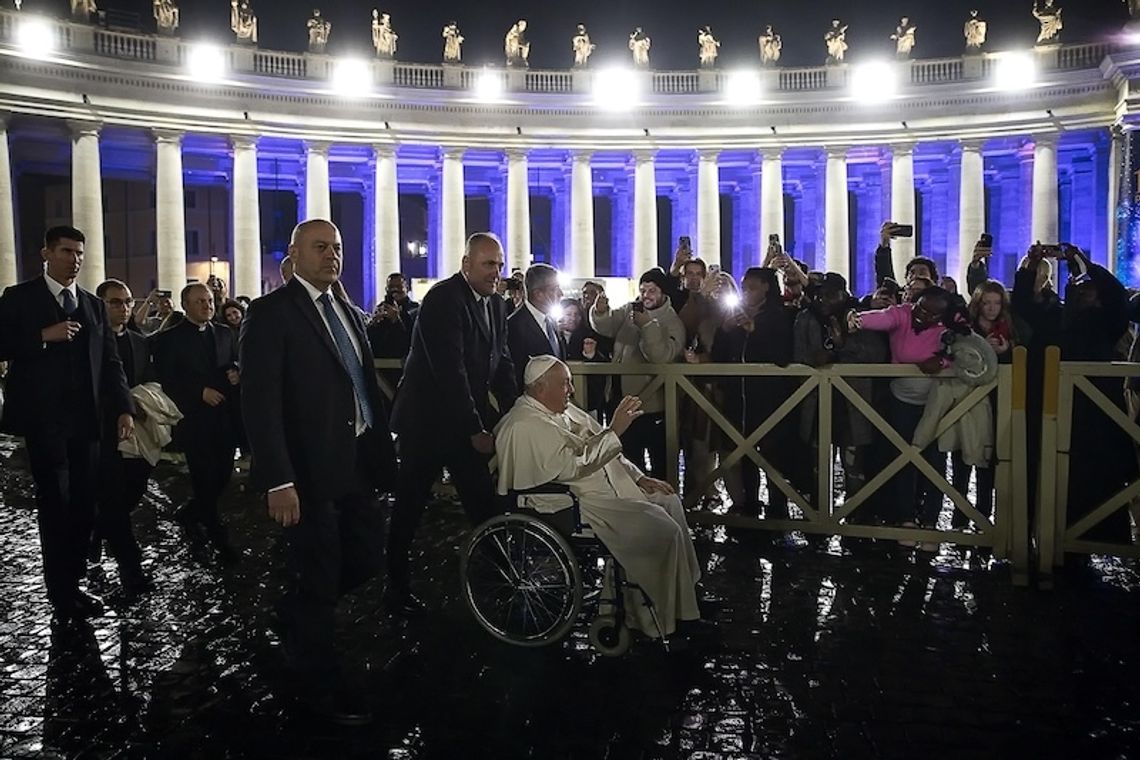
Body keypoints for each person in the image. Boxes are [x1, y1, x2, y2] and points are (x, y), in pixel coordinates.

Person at [240, 219, 397, 726]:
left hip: (355, 465)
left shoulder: (351, 313)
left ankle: (297, 610)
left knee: (368, 556)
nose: (331, 255)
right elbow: (260, 403)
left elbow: (362, 388)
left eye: (337, 247)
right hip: (304, 473)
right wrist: (278, 480)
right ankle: (319, 687)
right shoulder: (270, 315)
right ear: (294, 254)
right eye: (320, 247)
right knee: (320, 573)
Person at [495, 356, 702, 639]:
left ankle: (685, 600)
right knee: (662, 530)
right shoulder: (524, 424)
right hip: (578, 502)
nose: (571, 390)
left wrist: (639, 478)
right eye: (564, 383)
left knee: (668, 501)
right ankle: (652, 617)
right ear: (540, 388)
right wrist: (615, 429)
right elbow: (574, 466)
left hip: (603, 490)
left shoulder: (563, 410)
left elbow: (606, 451)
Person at [0, 226, 134, 625]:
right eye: (66, 251)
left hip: (87, 423)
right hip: (44, 422)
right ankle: (60, 591)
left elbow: (111, 363)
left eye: (79, 252)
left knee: (82, 505)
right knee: (54, 503)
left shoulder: (92, 306)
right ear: (46, 253)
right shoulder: (19, 298)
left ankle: (73, 581)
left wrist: (124, 407)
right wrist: (43, 336)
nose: (74, 259)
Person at [387, 232, 518, 615]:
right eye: (488, 264)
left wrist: (517, 405)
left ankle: (499, 577)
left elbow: (501, 360)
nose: (496, 272)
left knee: (482, 501)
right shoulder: (443, 299)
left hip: (462, 420)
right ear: (466, 265)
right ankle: (395, 585)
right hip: (427, 423)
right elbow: (450, 370)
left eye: (499, 264)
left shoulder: (495, 304)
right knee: (409, 507)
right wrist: (476, 429)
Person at [850, 287, 953, 546]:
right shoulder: (903, 314)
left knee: (936, 462)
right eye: (920, 308)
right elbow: (883, 318)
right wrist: (857, 319)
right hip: (902, 401)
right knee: (904, 458)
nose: (923, 316)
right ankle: (906, 519)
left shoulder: (952, 326)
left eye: (931, 314)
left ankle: (931, 522)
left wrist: (943, 362)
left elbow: (968, 353)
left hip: (937, 402)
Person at [151, 283, 241, 563]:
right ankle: (217, 536)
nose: (207, 306)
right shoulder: (169, 339)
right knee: (204, 477)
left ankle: (190, 513)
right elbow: (166, 378)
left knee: (223, 474)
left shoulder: (225, 333)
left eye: (210, 301)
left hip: (224, 417)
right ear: (186, 305)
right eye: (200, 301)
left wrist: (236, 372)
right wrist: (198, 392)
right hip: (193, 418)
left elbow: (233, 362)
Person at [711, 267, 797, 518]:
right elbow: (719, 356)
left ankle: (777, 506)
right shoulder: (736, 316)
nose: (746, 292)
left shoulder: (780, 316)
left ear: (766, 288)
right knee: (744, 453)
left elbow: (782, 356)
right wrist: (724, 331)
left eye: (752, 287)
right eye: (744, 287)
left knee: (773, 454)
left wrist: (754, 331)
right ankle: (749, 503)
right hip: (738, 395)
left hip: (769, 397)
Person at [590, 268, 685, 480]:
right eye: (643, 290)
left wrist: (647, 326)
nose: (646, 295)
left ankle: (663, 506)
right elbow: (608, 325)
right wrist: (600, 312)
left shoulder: (672, 322)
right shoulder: (630, 310)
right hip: (620, 399)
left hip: (651, 405)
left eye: (652, 290)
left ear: (663, 293)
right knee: (628, 459)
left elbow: (660, 356)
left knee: (659, 463)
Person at [92, 279, 156, 594]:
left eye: (128, 301)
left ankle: (96, 530)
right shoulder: (90, 343)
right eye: (115, 302)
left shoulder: (140, 341)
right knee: (114, 499)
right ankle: (131, 567)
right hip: (103, 432)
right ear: (101, 305)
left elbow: (148, 379)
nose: (124, 308)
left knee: (134, 489)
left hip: (139, 434)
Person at [507, 263, 566, 389]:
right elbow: (515, 375)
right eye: (555, 289)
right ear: (538, 294)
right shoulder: (514, 327)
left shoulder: (551, 322)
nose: (561, 294)